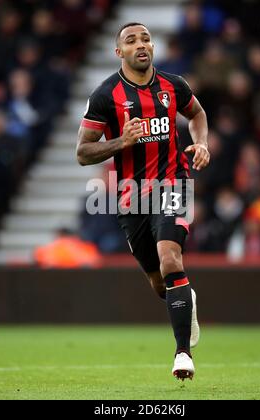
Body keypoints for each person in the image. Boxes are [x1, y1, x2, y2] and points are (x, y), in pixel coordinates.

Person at [77, 23, 210, 380]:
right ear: (118, 52)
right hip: (132, 198)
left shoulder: (173, 85)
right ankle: (186, 300)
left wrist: (202, 143)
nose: (141, 45)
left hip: (174, 184)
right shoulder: (106, 95)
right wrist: (121, 142)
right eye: (131, 40)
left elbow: (196, 114)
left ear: (153, 46)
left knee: (170, 259)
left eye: (146, 39)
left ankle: (183, 354)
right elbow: (83, 152)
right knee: (158, 281)